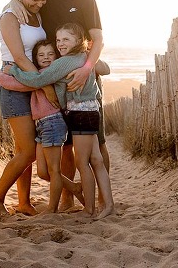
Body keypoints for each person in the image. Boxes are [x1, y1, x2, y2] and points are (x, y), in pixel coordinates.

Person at [7, 0, 109, 211]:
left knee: (97, 140)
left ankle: (101, 198)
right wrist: (12, 4)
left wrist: (88, 67)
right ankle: (67, 200)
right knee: (66, 145)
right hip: (55, 77)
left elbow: (98, 38)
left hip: (83, 76)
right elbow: (23, 3)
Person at [6, 23, 114, 219]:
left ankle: (89, 210)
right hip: (91, 110)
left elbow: (38, 80)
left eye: (66, 39)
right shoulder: (85, 56)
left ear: (79, 41)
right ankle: (108, 204)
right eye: (58, 40)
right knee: (96, 159)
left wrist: (14, 71)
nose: (61, 44)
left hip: (80, 114)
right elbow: (103, 68)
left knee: (83, 162)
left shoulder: (64, 62)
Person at [0, 39, 85, 213]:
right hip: (41, 126)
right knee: (43, 172)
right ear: (35, 58)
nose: (46, 57)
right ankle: (74, 188)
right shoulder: (37, 74)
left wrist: (3, 75)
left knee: (53, 170)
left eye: (50, 54)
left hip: (53, 123)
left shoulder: (49, 74)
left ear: (56, 57)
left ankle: (51, 211)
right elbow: (29, 81)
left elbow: (17, 83)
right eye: (41, 55)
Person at [0, 0, 49, 217]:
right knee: (29, 151)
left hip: (32, 83)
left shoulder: (36, 14)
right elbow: (20, 58)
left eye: (43, 0)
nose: (39, 4)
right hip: (15, 82)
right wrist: (46, 85)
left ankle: (24, 202)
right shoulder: (9, 16)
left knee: (23, 149)